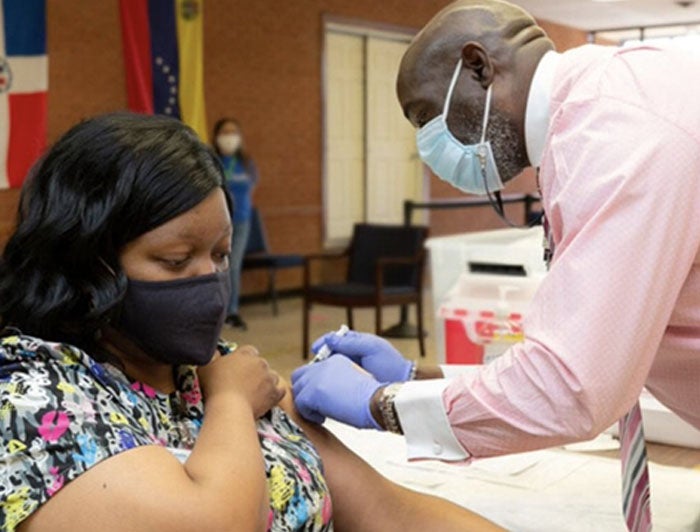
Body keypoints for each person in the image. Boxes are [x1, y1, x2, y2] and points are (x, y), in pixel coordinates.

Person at [293, 0, 700, 518]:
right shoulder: (598, 109)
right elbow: (591, 354)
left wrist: (383, 405)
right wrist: (417, 375)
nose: (428, 147)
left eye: (425, 117)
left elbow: (572, 385)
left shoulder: (616, 133)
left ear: (479, 67)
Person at [0, 112, 501, 531]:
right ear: (89, 263)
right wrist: (232, 403)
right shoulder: (34, 400)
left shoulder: (209, 372)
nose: (209, 282)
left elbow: (392, 514)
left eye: (220, 256)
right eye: (176, 260)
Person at [212, 117, 258, 330]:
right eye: (225, 132)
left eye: (233, 132)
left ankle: (232, 311)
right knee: (215, 268)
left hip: (241, 221)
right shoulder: (212, 160)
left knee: (233, 266)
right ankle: (214, 311)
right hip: (217, 223)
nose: (229, 137)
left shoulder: (246, 163)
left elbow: (251, 187)